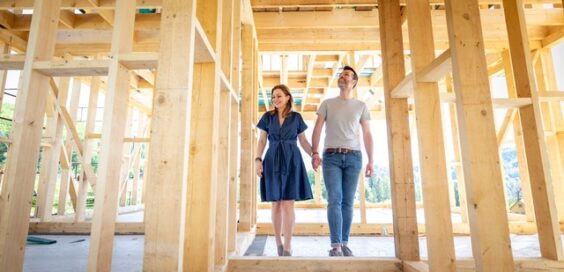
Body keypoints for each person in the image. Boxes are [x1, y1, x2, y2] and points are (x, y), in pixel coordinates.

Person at [311, 65, 374, 257]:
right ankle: (335, 245)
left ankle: (344, 242)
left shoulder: (361, 106)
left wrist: (371, 160)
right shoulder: (327, 104)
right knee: (335, 199)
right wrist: (314, 152)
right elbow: (317, 128)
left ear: (353, 82)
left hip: (354, 157)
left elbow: (367, 133)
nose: (342, 77)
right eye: (340, 74)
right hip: (331, 157)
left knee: (347, 202)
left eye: (346, 75)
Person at [256, 84, 314, 256]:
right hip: (272, 159)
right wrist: (258, 160)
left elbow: (303, 142)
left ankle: (288, 246)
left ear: (288, 97)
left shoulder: (296, 117)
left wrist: (315, 155)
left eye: (279, 96)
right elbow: (261, 141)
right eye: (273, 96)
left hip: (292, 160)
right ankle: (278, 243)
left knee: (288, 204)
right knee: (276, 204)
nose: (275, 99)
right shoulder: (267, 117)